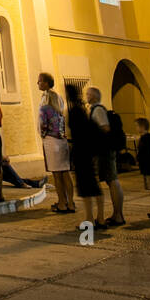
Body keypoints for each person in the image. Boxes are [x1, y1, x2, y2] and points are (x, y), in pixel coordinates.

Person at [66, 84, 104, 230]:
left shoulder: (75, 110)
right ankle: (99, 218)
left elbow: (76, 133)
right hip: (88, 151)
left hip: (81, 151)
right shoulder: (82, 109)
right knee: (93, 186)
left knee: (86, 188)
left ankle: (90, 219)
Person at [86, 86, 126, 226]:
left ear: (95, 96)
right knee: (112, 181)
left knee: (112, 180)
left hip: (104, 151)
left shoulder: (97, 110)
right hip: (105, 150)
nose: (86, 96)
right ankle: (117, 214)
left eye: (89, 94)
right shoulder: (97, 109)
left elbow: (105, 127)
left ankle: (118, 215)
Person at [37, 71, 75, 213]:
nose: (38, 83)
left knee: (57, 174)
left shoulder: (46, 100)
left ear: (46, 83)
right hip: (62, 139)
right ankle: (70, 202)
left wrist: (43, 133)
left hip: (52, 140)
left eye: (40, 81)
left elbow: (42, 122)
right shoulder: (58, 97)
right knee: (65, 172)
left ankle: (62, 203)